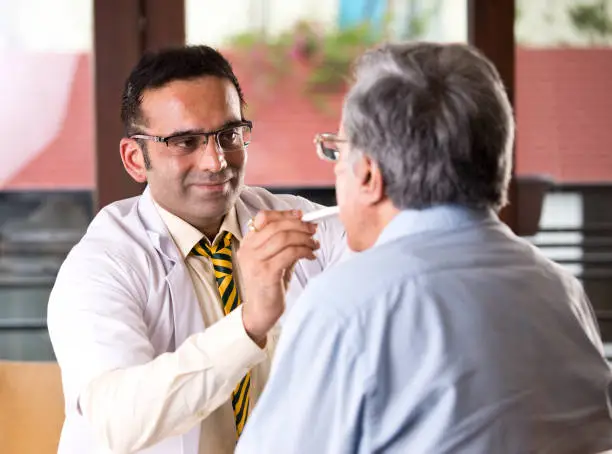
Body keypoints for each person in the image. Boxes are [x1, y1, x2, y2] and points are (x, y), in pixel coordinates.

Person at [236, 42, 612, 454]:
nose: (336, 167)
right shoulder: (562, 291)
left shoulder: (346, 308)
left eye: (337, 152)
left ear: (368, 175)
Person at [47, 45, 346, 454]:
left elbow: (395, 265)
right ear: (136, 159)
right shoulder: (100, 265)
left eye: (229, 135)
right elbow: (118, 423)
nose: (216, 161)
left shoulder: (296, 223)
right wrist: (249, 324)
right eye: (186, 141)